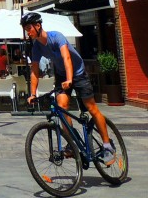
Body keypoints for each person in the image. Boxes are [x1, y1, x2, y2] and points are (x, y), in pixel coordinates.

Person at [21, 12, 115, 161]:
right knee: (61, 107)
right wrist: (32, 93)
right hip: (61, 75)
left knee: (91, 108)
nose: (28, 32)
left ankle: (107, 145)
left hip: (78, 73)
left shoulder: (56, 37)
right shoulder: (36, 47)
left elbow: (67, 58)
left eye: (29, 28)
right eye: (26, 30)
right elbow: (34, 71)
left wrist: (70, 79)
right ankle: (72, 144)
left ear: (38, 25)